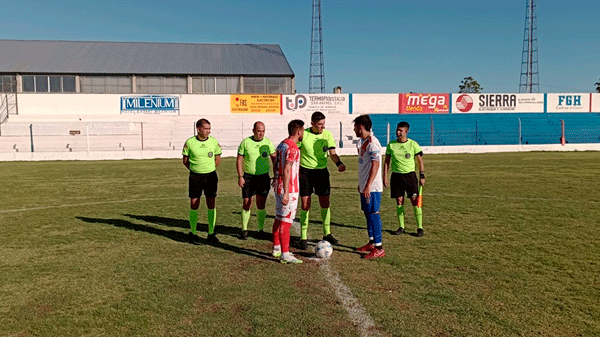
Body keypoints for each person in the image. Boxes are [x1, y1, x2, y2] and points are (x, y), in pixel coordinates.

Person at [298, 111, 346, 250]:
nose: (322, 127)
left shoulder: (327, 135)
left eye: (323, 124)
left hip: (322, 173)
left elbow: (332, 153)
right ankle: (303, 236)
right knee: (305, 204)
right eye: (319, 125)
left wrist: (339, 164)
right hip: (305, 172)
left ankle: (327, 233)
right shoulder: (304, 134)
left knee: (325, 202)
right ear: (312, 123)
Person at [182, 118, 222, 244]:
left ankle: (211, 233)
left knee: (211, 203)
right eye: (205, 129)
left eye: (209, 129)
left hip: (210, 176)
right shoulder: (190, 142)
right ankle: (193, 232)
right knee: (194, 203)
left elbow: (218, 158)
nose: (208, 131)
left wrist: (208, 169)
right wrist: (196, 169)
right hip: (195, 176)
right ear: (198, 129)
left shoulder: (214, 142)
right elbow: (185, 160)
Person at [383, 121, 426, 237]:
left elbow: (420, 161)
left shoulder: (413, 144)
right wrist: (384, 176)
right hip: (396, 177)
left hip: (410, 177)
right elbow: (387, 162)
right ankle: (401, 227)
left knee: (415, 202)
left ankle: (420, 227)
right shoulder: (391, 145)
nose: (398, 132)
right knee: (399, 202)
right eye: (397, 130)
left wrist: (422, 176)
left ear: (406, 132)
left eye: (401, 130)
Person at [272, 119, 305, 264]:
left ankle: (277, 248)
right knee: (286, 221)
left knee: (279, 217)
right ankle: (285, 254)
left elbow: (276, 163)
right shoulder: (292, 148)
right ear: (298, 131)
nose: (303, 133)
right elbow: (287, 169)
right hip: (288, 188)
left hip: (278, 185)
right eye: (303, 130)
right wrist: (286, 192)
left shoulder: (281, 145)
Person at [236, 121, 276, 240]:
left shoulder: (268, 143)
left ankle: (260, 230)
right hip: (249, 177)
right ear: (253, 130)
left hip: (263, 177)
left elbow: (274, 159)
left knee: (261, 204)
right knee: (247, 203)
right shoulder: (245, 142)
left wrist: (276, 175)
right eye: (258, 131)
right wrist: (240, 176)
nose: (261, 133)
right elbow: (239, 160)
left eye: (263, 131)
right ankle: (244, 230)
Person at [353, 115, 385, 259]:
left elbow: (375, 164)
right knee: (367, 213)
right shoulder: (363, 142)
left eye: (355, 127)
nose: (354, 129)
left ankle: (379, 247)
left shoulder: (373, 143)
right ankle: (372, 242)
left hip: (372, 188)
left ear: (361, 127)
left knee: (373, 214)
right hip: (365, 186)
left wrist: (368, 186)